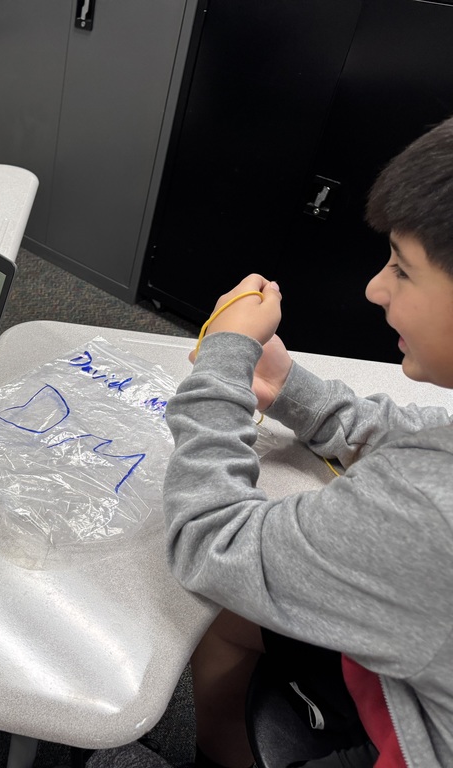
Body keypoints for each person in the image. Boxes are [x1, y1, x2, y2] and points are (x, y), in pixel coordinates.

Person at [163, 115, 453, 768]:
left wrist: (224, 359)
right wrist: (292, 387)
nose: (376, 288)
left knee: (217, 600)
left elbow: (211, 540)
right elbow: (427, 442)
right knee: (232, 624)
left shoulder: (432, 514)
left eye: (403, 272)